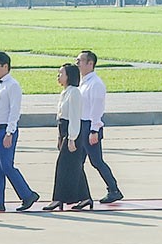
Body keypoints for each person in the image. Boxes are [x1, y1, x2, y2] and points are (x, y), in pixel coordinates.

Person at [0, 52, 39, 212]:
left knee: (6, 166)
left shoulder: (12, 85)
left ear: (5, 66)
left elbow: (14, 111)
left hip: (4, 130)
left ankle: (27, 194)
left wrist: (9, 132)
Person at [76, 51, 124, 204]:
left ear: (90, 63)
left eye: (80, 61)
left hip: (90, 126)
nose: (77, 64)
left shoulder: (95, 84)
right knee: (78, 162)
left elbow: (97, 109)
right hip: (82, 125)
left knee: (96, 161)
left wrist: (94, 130)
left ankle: (114, 189)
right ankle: (80, 193)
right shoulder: (83, 82)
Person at [45, 64, 91, 211]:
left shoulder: (75, 93)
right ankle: (85, 198)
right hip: (65, 130)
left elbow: (74, 117)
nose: (58, 76)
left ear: (69, 76)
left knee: (63, 166)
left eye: (61, 73)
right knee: (75, 166)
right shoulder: (65, 92)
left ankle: (58, 199)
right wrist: (60, 137)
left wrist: (72, 138)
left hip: (73, 132)